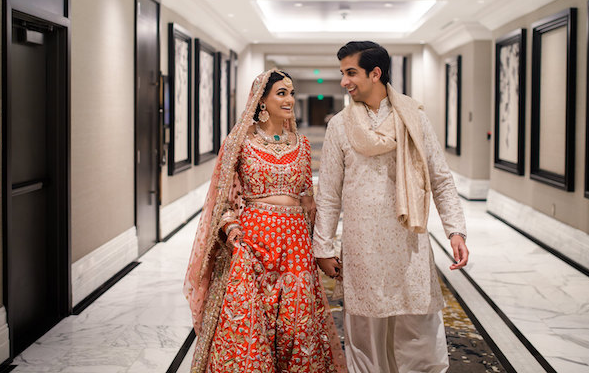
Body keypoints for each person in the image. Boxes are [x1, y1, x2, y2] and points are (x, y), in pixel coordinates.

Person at [313, 41, 469, 373]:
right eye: (342, 73)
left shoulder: (414, 118)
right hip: (362, 243)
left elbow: (439, 177)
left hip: (407, 239)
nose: (344, 81)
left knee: (418, 327)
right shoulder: (340, 126)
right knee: (366, 333)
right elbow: (328, 193)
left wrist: (455, 230)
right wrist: (323, 247)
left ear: (376, 73)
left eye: (350, 72)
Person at [184, 69, 347, 373]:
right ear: (262, 100)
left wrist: (320, 247)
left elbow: (309, 201)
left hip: (296, 247)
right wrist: (231, 227)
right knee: (249, 330)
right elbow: (222, 200)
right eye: (281, 93)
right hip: (253, 246)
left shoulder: (302, 145)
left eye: (292, 93)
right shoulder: (239, 143)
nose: (290, 100)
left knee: (297, 327)